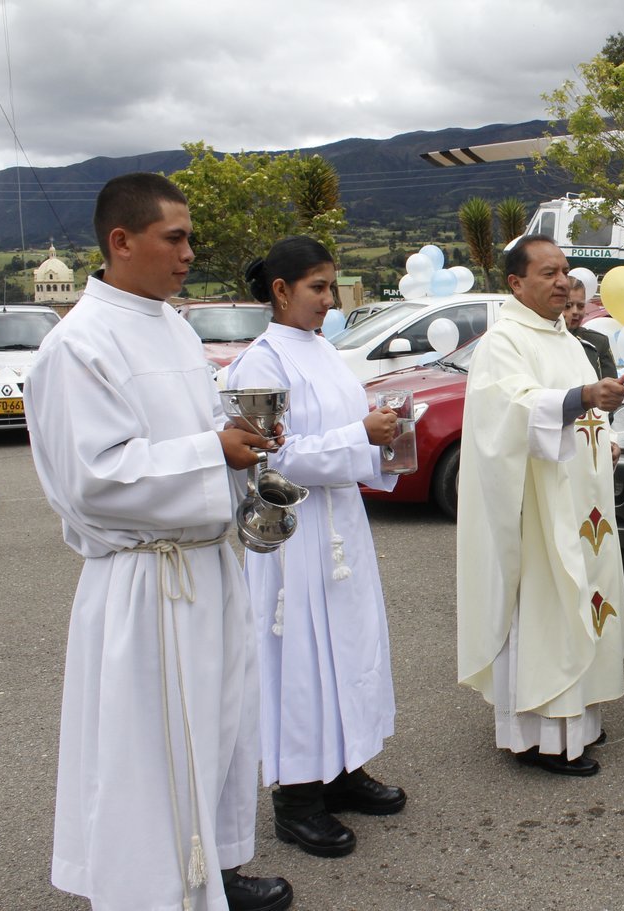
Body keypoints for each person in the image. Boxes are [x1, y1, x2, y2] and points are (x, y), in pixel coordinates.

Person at [24, 172, 292, 911]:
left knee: (214, 732)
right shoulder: (80, 344)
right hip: (149, 583)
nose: (188, 253)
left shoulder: (171, 324)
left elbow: (199, 430)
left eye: (189, 238)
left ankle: (211, 874)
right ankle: (151, 893)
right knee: (148, 753)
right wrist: (215, 453)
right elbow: (94, 480)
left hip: (206, 568)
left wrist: (243, 450)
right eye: (174, 237)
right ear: (121, 241)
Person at [227, 237, 406, 858]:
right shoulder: (260, 364)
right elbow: (271, 456)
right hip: (295, 535)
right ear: (281, 291)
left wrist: (382, 439)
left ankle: (344, 766)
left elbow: (344, 428)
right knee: (300, 659)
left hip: (342, 524)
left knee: (350, 645)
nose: (330, 300)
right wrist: (361, 435)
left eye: (332, 286)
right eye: (318, 288)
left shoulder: (325, 350)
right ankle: (297, 797)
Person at [456, 235, 624, 776]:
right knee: (547, 610)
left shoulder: (564, 338)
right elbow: (511, 411)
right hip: (535, 510)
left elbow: (575, 407)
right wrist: (584, 399)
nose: (562, 282)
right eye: (548, 273)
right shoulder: (504, 341)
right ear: (516, 282)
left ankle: (580, 721)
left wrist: (603, 431)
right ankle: (541, 736)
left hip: (581, 507)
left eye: (565, 272)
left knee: (583, 604)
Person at [565, 276, 617, 380]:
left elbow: (612, 389)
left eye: (580, 306)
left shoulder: (598, 342)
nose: (575, 311)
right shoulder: (538, 339)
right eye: (568, 306)